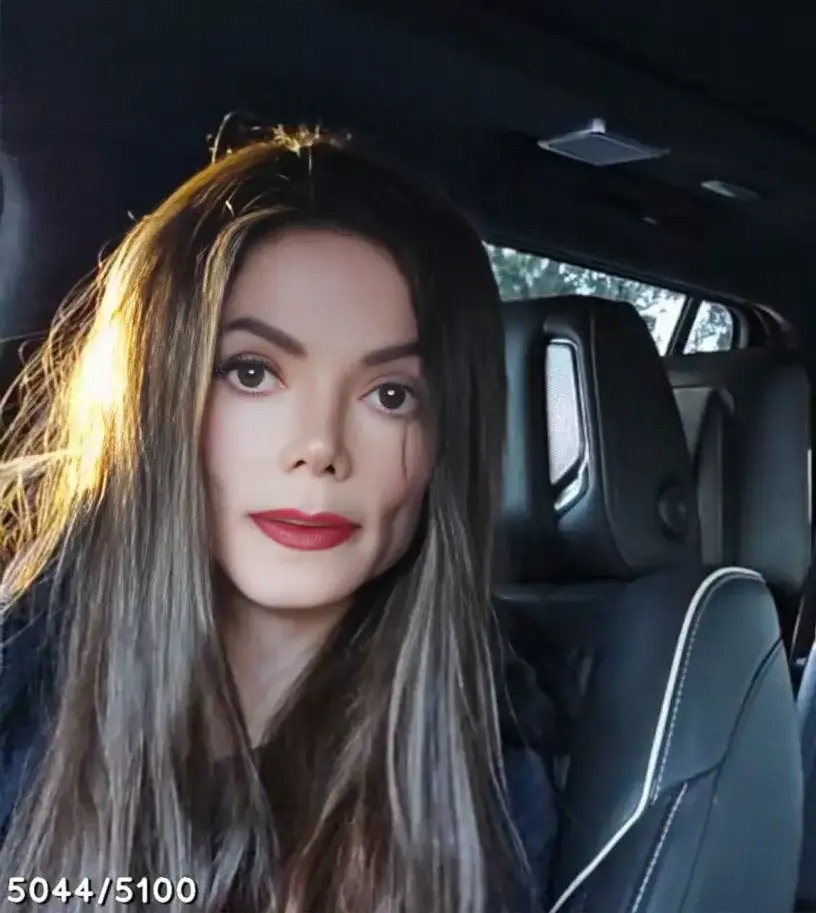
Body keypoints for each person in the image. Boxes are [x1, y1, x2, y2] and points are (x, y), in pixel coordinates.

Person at [0, 118, 556, 912]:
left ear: (446, 446)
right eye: (253, 373)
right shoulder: (22, 682)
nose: (320, 447)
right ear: (156, 397)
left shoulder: (492, 793)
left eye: (390, 395)